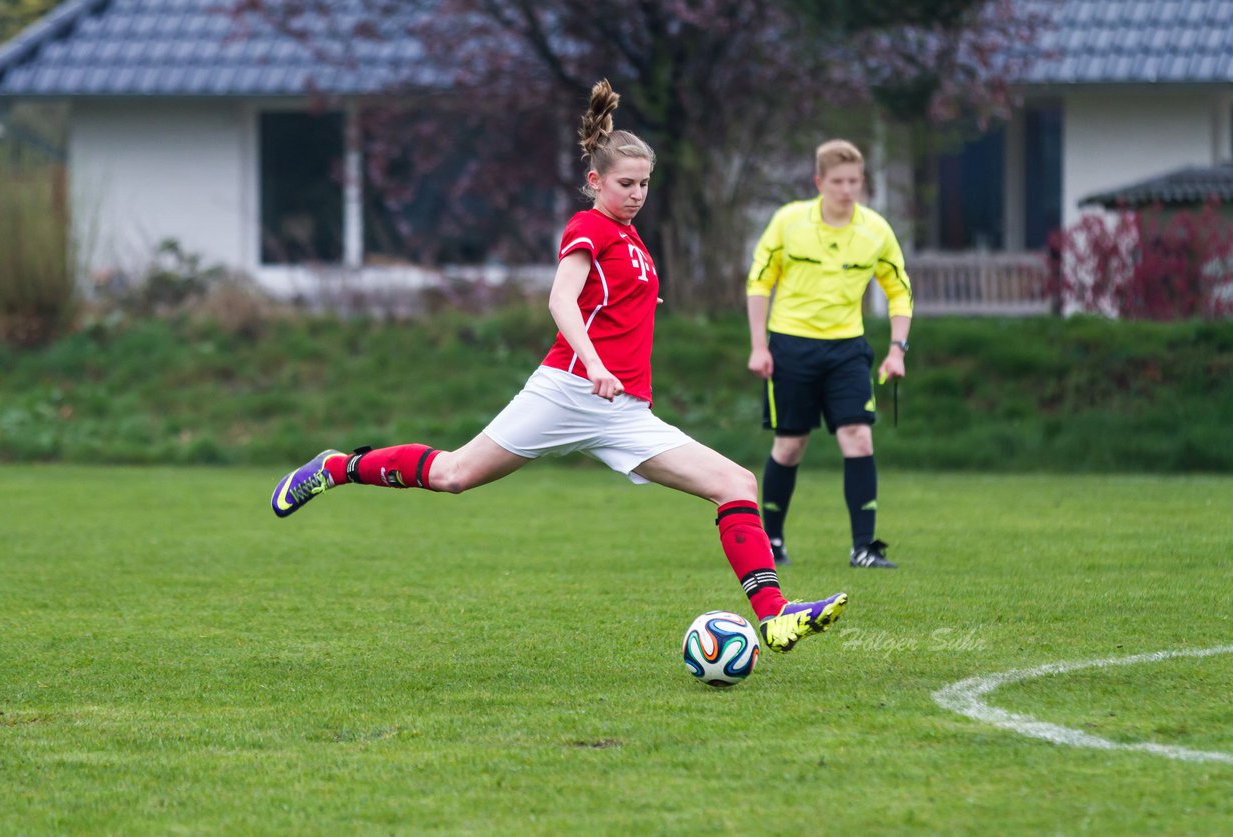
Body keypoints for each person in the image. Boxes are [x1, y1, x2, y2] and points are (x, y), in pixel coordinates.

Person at [271, 80, 846, 653]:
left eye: (644, 183)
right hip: (568, 391)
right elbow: (561, 300)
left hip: (623, 412)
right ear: (596, 181)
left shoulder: (631, 237)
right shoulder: (588, 226)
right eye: (626, 183)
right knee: (453, 475)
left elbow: (613, 295)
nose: (638, 193)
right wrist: (594, 363)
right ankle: (338, 467)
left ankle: (773, 616)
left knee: (735, 483)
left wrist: (639, 303)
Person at [745, 139, 912, 570]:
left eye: (854, 181)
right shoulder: (788, 223)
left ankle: (864, 547)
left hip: (847, 348)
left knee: (858, 436)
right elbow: (759, 283)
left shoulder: (875, 230)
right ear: (819, 182)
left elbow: (899, 291)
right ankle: (773, 541)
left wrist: (897, 350)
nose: (846, 189)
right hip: (790, 345)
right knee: (790, 445)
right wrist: (759, 347)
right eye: (837, 181)